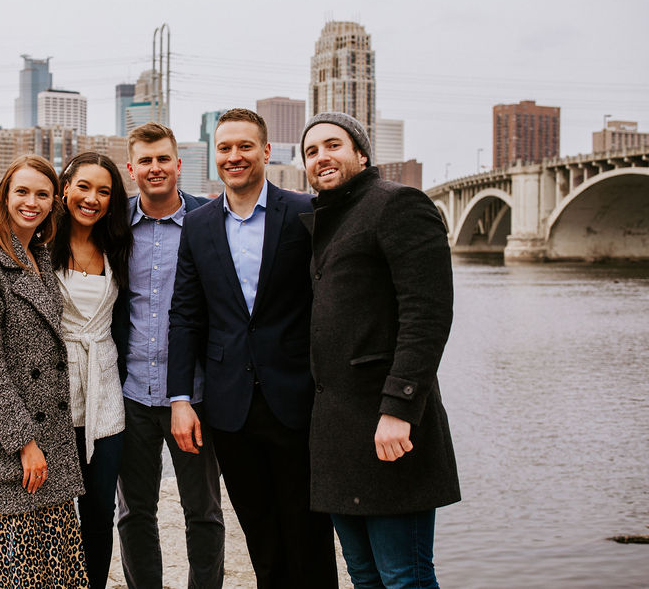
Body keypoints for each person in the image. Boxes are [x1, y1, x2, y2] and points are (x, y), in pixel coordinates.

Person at [168, 108, 338, 588]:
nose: (234, 156)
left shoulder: (306, 213)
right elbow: (185, 315)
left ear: (265, 152)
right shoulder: (198, 226)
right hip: (230, 409)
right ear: (214, 156)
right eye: (224, 148)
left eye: (245, 146)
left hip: (298, 401)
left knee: (309, 538)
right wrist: (180, 398)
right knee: (262, 539)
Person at [300, 112, 460, 589]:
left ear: (362, 154)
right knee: (365, 576)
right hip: (337, 436)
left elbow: (427, 315)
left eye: (333, 145)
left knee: (404, 576)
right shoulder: (331, 218)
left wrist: (400, 407)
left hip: (388, 427)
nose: (322, 157)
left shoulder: (399, 204)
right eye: (311, 151)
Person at [0, 155, 88, 588]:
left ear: (53, 203)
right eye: (22, 192)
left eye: (42, 194)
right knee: (8, 571)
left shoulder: (39, 256)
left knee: (55, 569)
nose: (32, 202)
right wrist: (24, 443)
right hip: (8, 447)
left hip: (51, 443)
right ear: (4, 197)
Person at [110, 122, 225, 589]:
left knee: (203, 510)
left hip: (193, 392)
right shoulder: (113, 226)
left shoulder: (209, 220)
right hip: (129, 392)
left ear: (178, 164)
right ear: (131, 169)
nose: (155, 168)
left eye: (163, 159)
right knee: (134, 511)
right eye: (145, 161)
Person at [50, 151, 132, 589]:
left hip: (105, 398)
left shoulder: (118, 246)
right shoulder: (39, 246)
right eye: (84, 186)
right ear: (65, 188)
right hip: (54, 399)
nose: (92, 198)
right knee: (54, 514)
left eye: (104, 191)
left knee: (99, 513)